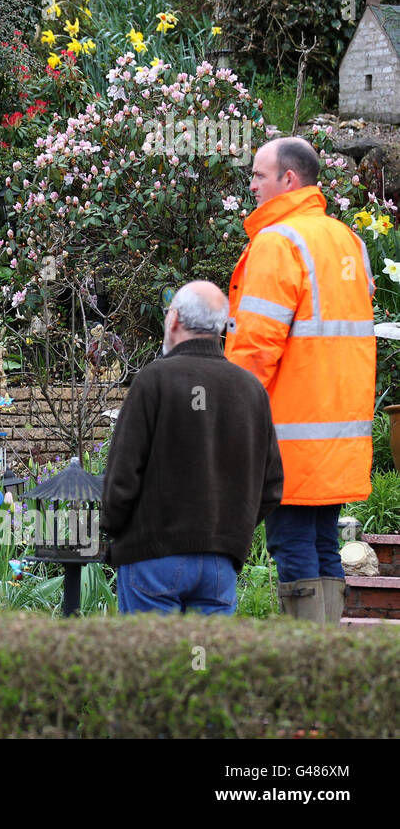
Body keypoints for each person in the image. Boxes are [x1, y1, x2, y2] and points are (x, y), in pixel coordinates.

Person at [227, 137, 376, 623]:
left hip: (289, 435)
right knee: (322, 544)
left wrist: (227, 416)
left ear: (288, 179)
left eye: (258, 175)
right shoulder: (348, 240)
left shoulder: (278, 242)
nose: (251, 185)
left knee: (291, 545)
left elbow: (255, 346)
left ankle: (305, 666)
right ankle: (326, 660)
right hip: (337, 433)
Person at [101, 281, 284, 615]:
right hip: (219, 562)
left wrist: (113, 530)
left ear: (173, 320)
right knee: (204, 665)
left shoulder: (153, 381)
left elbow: (122, 478)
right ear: (222, 327)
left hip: (151, 558)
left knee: (152, 664)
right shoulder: (250, 390)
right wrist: (230, 531)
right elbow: (271, 487)